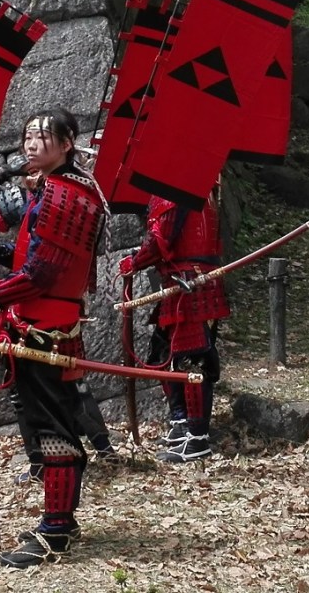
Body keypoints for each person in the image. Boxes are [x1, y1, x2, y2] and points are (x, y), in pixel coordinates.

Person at [0, 108, 106, 568]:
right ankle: (60, 521)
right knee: (47, 424)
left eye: (41, 137)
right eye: (27, 136)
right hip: (40, 325)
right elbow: (34, 256)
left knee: (53, 430)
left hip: (47, 330)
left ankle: (56, 532)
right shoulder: (56, 188)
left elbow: (42, 275)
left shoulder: (64, 195)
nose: (30, 144)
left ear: (66, 143)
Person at [0, 154, 118, 485]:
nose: (32, 177)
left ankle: (90, 453)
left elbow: (43, 272)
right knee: (33, 391)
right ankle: (44, 461)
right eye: (29, 171)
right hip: (26, 310)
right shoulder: (33, 200)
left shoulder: (67, 202)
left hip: (49, 312)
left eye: (38, 169)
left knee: (65, 388)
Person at [118, 187, 229, 462]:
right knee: (162, 353)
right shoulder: (192, 185)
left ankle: (197, 438)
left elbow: (160, 240)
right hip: (183, 282)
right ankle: (181, 423)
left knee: (191, 360)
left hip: (191, 285)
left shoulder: (175, 187)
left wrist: (135, 262)